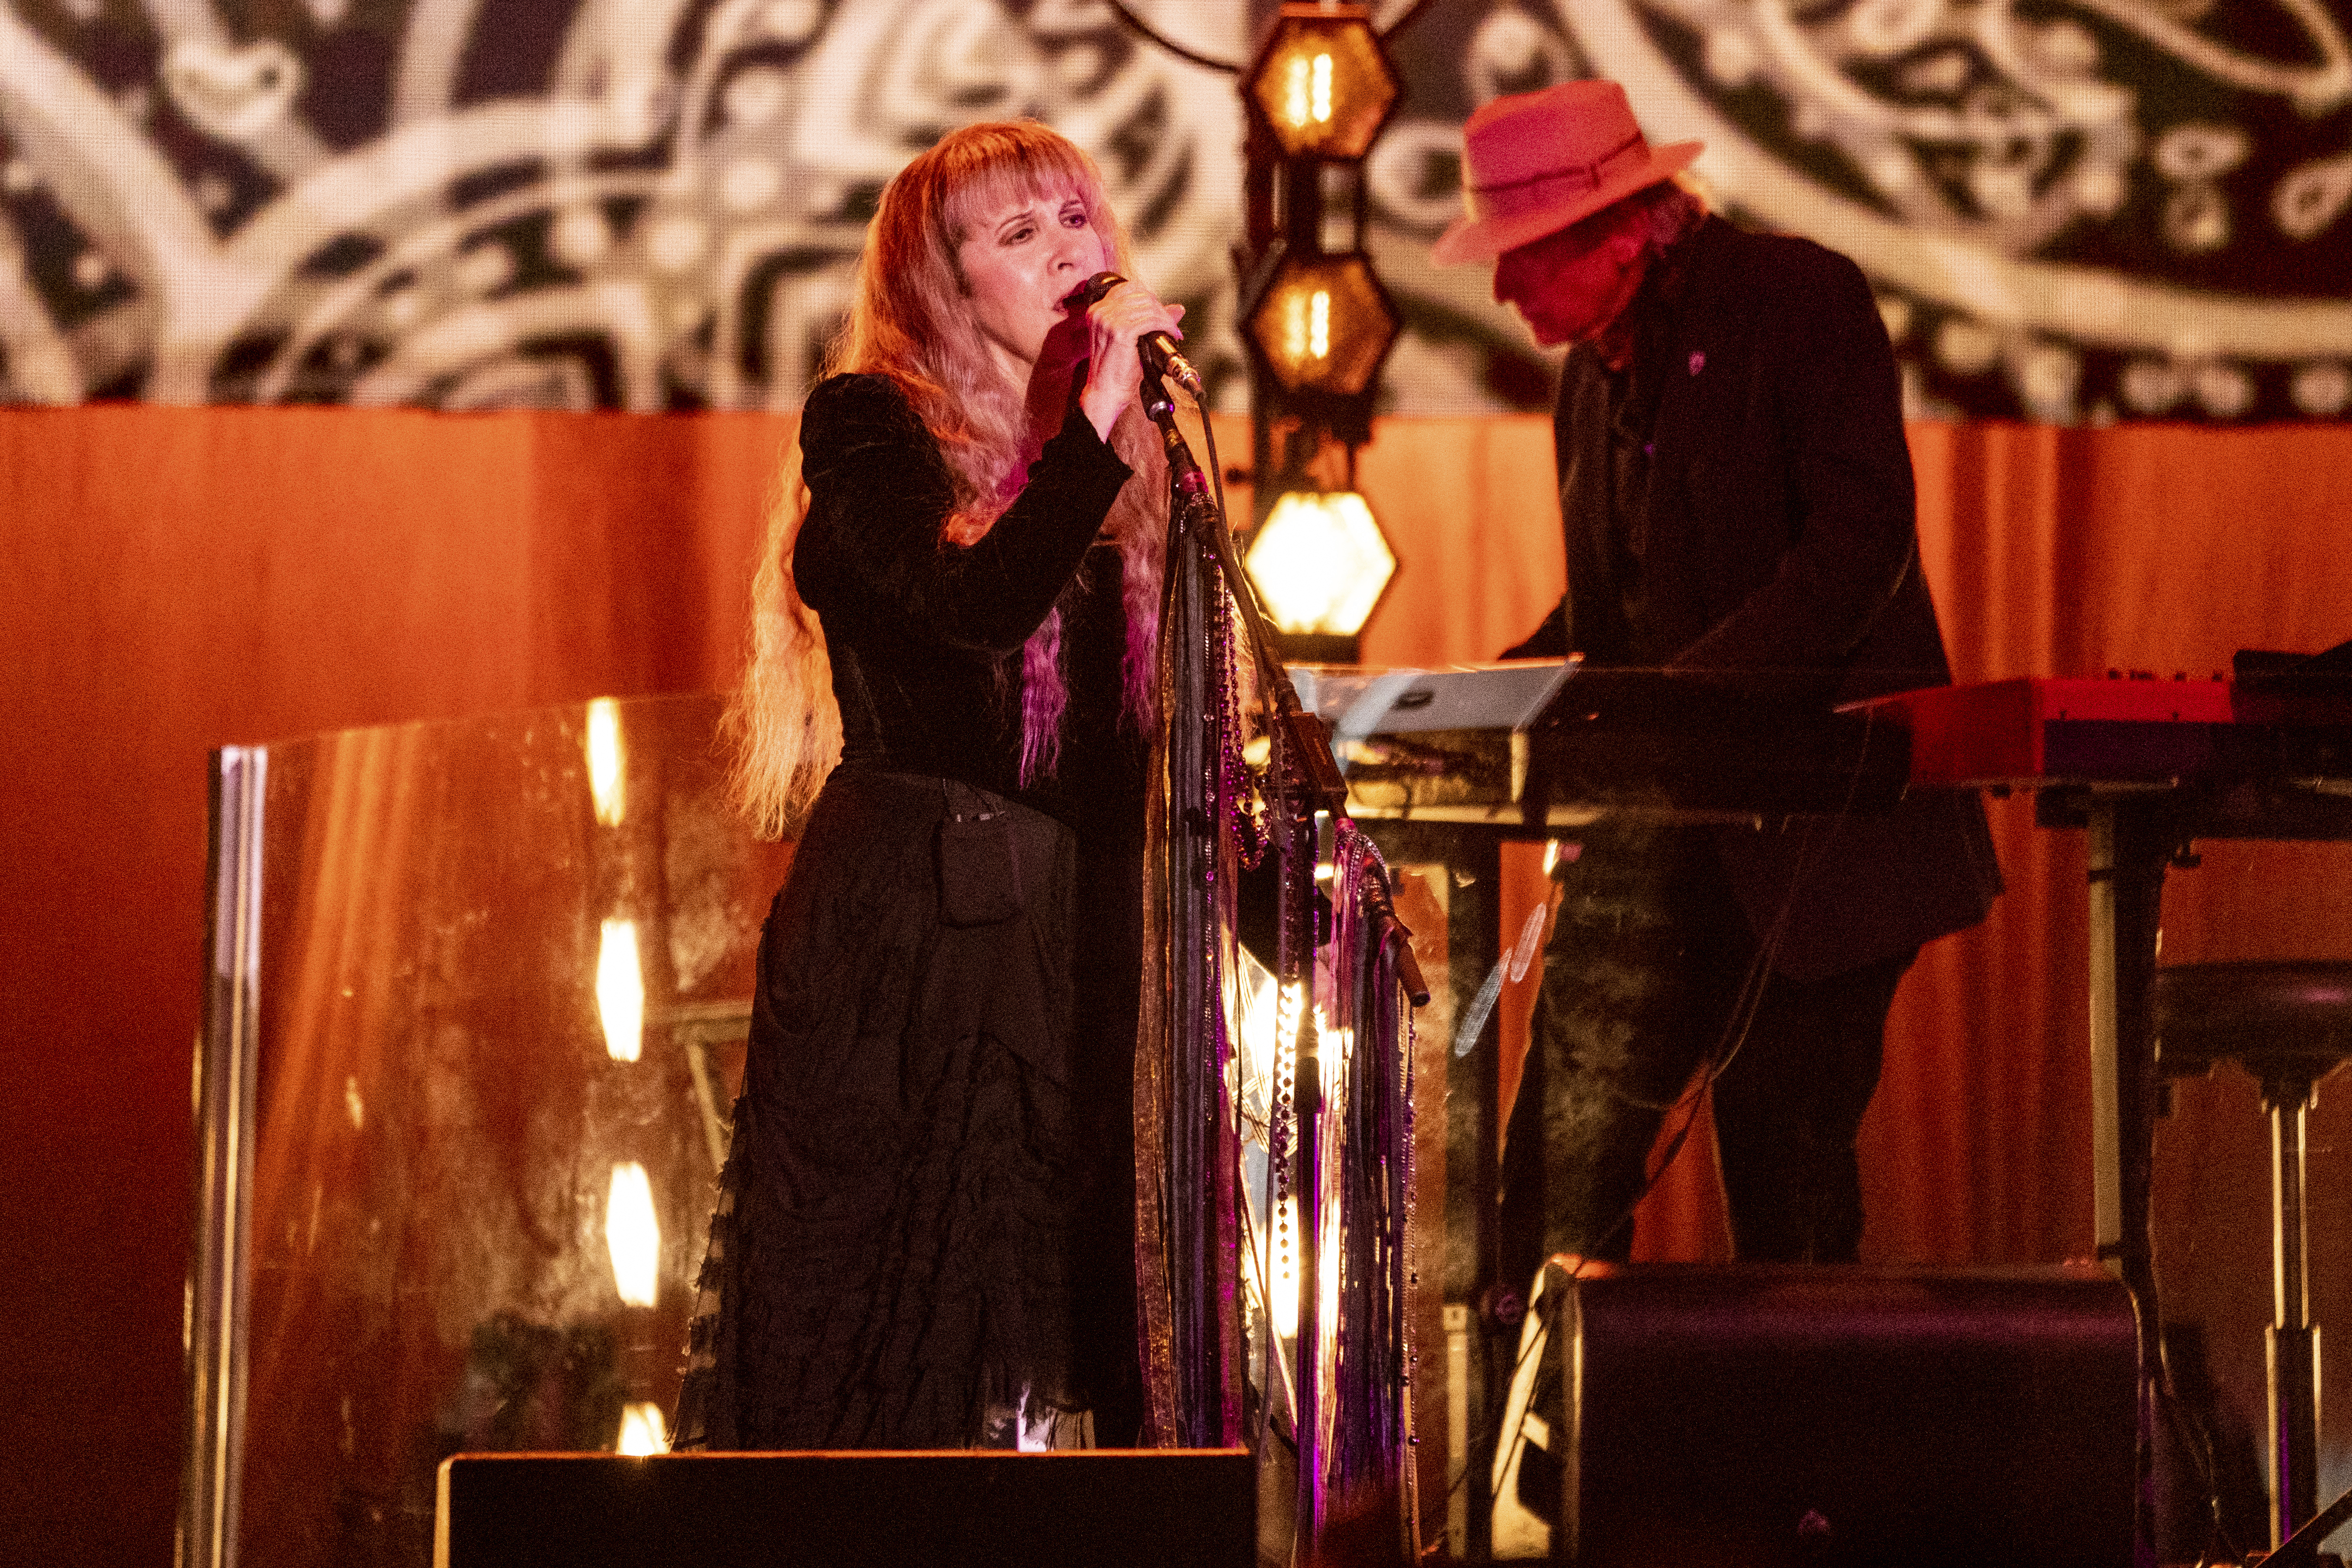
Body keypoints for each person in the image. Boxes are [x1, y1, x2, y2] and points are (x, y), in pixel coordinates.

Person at [1431, 81, 2003, 1277]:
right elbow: (1619, 618)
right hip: (1666, 831)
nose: (1501, 289)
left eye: (1523, 254)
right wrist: (1481, 693)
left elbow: (1856, 549)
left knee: (1781, 1197)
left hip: (1814, 842)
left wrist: (1669, 707)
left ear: (1623, 231)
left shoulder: (1794, 297)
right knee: (1546, 1192)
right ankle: (1543, 1400)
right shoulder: (1589, 377)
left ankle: (1789, 1409)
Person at [673, 120, 1185, 1451]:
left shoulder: (1133, 461)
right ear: (940, 287)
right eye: (1018, 234)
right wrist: (1091, 431)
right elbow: (970, 613)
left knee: (1053, 1330)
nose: (1068, 251)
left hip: (1071, 937)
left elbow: (1137, 747)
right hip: (917, 939)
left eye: (1075, 218)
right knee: (893, 1330)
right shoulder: (869, 428)